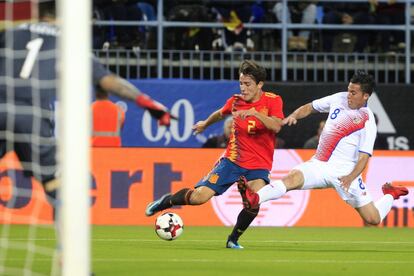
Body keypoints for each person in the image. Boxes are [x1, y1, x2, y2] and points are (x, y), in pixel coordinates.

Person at [0, 0, 174, 222]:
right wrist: (146, 102)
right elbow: (107, 80)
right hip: (32, 118)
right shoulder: (67, 42)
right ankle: (66, 254)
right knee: (60, 189)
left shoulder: (10, 33)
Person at [237, 71, 409, 229]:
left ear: (366, 96)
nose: (348, 95)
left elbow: (364, 157)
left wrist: (350, 177)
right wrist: (294, 115)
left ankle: (390, 194)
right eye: (349, 90)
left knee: (373, 219)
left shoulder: (367, 119)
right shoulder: (339, 98)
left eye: (353, 93)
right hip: (319, 164)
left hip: (345, 173)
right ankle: (255, 198)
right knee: (292, 178)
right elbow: (310, 107)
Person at [145, 60, 284, 249]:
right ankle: (165, 201)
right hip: (232, 161)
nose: (243, 88)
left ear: (260, 84)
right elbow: (220, 113)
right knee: (199, 198)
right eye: (241, 83)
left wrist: (256, 114)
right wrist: (205, 124)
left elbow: (276, 126)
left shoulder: (273, 100)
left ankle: (233, 239)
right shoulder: (235, 101)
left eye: (247, 84)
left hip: (259, 165)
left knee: (254, 200)